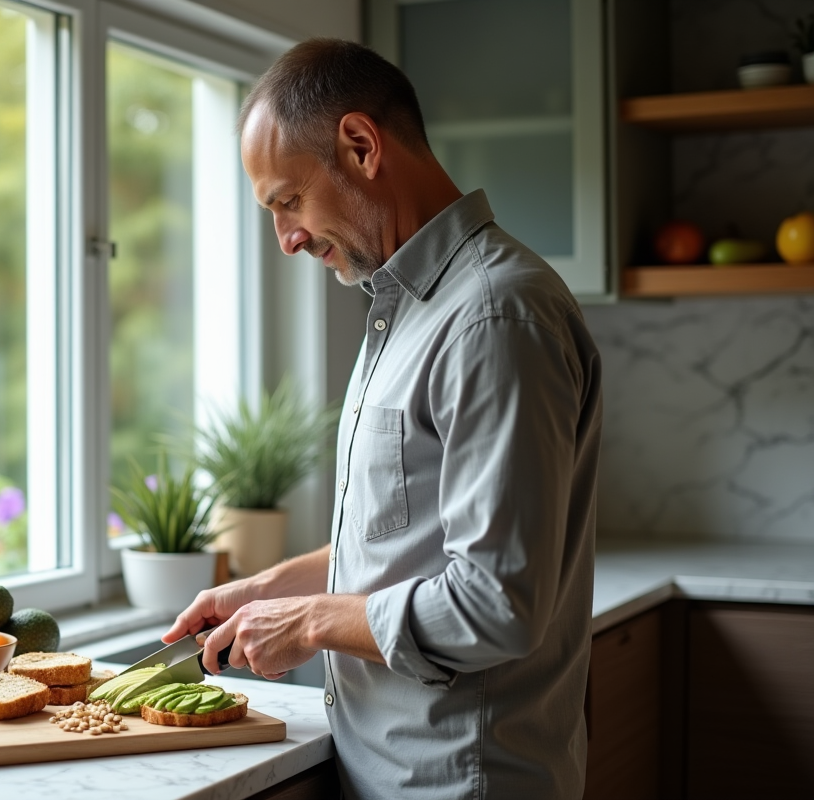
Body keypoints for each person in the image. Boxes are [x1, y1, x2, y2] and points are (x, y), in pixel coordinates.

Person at [164, 39, 603, 800]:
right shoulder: (407, 313)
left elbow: (494, 606)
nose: (288, 239)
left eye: (287, 201)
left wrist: (306, 624)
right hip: (389, 771)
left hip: (461, 782)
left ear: (362, 146)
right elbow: (407, 539)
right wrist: (266, 587)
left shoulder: (493, 317)